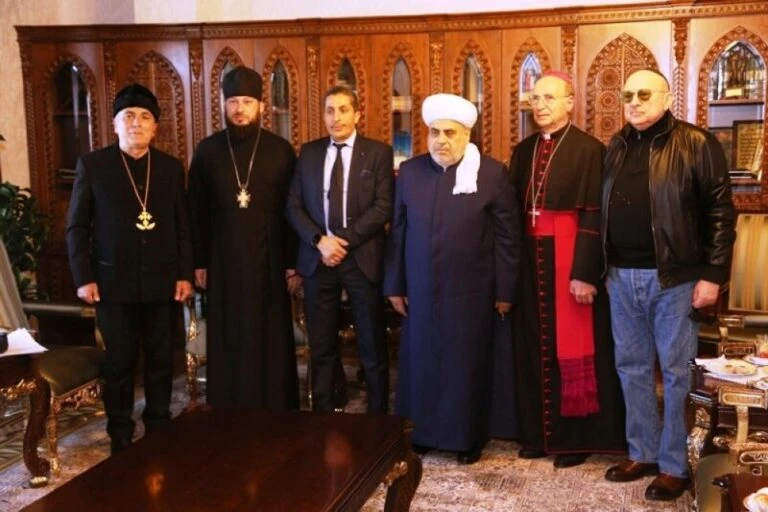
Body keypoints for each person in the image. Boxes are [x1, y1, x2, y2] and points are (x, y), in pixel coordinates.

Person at [602, 69, 735, 501]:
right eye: (628, 95)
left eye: (644, 94)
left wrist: (713, 275)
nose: (635, 102)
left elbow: (720, 212)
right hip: (621, 277)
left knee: (677, 373)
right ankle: (641, 452)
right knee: (632, 367)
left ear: (666, 97)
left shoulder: (696, 143)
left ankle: (674, 466)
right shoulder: (617, 145)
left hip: (676, 279)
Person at [384, 93, 520, 464]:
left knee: (464, 366)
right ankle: (424, 433)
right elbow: (397, 232)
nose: (441, 140)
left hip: (471, 292)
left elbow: (508, 238)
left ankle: (466, 438)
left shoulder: (491, 174)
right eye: (435, 132)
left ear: (466, 136)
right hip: (421, 290)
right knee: (422, 361)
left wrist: (506, 290)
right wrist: (394, 285)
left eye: (450, 133)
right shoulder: (410, 172)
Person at [66, 83, 194, 454]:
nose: (136, 123)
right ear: (115, 124)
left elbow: (183, 227)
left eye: (144, 117)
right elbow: (77, 226)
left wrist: (184, 274)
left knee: (161, 359)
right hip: (112, 283)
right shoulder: (94, 166)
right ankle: (120, 432)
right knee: (119, 363)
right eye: (128, 116)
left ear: (155, 128)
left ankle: (158, 424)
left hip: (162, 282)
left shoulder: (170, 168)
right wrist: (84, 277)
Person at [509, 71, 627, 469]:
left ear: (569, 102)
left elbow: (595, 216)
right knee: (533, 344)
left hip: (570, 258)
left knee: (573, 347)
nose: (540, 105)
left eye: (549, 98)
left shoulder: (589, 149)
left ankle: (576, 439)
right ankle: (538, 435)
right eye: (535, 99)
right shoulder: (524, 150)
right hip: (530, 259)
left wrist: (584, 272)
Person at [187, 66, 299, 409]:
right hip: (222, 258)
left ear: (261, 106)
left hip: (270, 256)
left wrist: (292, 263)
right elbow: (196, 211)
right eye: (233, 101)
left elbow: (293, 210)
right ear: (224, 105)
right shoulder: (207, 151)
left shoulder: (281, 150)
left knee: (270, 331)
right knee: (228, 330)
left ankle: (275, 406)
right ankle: (228, 408)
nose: (240, 109)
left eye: (247, 102)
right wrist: (199, 262)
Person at [286, 85, 392, 414]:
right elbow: (293, 206)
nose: (336, 117)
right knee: (321, 347)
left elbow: (383, 207)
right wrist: (321, 241)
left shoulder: (377, 153)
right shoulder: (309, 153)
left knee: (371, 345)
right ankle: (324, 416)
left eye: (344, 110)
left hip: (360, 259)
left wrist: (341, 241)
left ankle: (378, 419)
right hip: (318, 260)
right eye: (330, 110)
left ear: (357, 114)